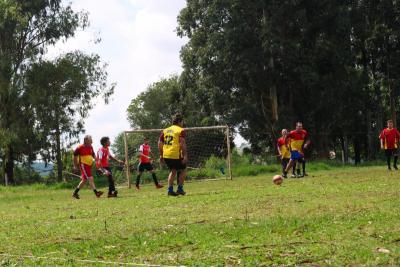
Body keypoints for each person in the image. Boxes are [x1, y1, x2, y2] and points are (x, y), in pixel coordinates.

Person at [158, 113, 187, 196]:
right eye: (182, 122)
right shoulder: (180, 130)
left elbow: (159, 142)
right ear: (179, 121)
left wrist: (161, 155)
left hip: (166, 154)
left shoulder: (165, 130)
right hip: (175, 153)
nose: (182, 124)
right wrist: (185, 156)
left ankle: (170, 190)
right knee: (183, 169)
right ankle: (180, 189)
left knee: (173, 171)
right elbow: (182, 143)